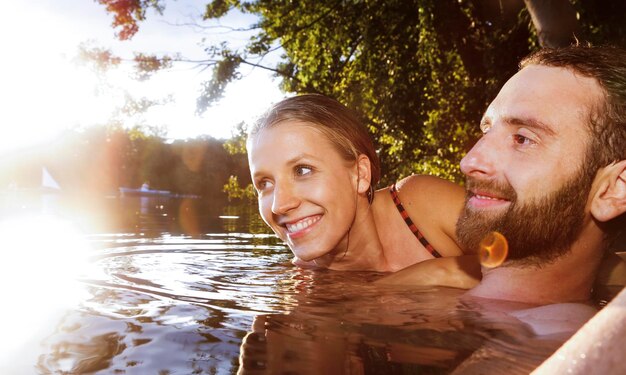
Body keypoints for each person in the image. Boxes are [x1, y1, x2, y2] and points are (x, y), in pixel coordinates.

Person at [381, 44, 626, 308]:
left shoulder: (574, 346)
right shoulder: (415, 295)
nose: (469, 161)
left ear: (614, 189)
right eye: (487, 131)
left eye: (523, 138)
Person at [247, 94, 480, 276]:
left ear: (360, 174)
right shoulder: (300, 284)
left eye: (302, 170)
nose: (279, 205)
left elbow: (516, 260)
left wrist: (436, 273)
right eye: (265, 183)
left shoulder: (419, 204)